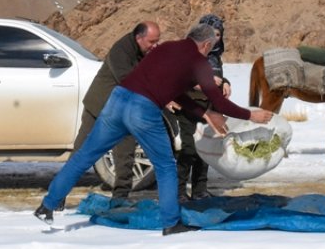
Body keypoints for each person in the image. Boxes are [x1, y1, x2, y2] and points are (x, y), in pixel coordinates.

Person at [35, 23, 274, 235]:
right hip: (143, 109)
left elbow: (175, 91)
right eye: (212, 46)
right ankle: (171, 223)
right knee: (166, 164)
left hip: (118, 100)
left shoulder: (166, 47)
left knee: (86, 154)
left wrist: (204, 113)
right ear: (207, 44)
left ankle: (48, 205)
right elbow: (220, 102)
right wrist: (251, 114)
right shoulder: (199, 62)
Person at [75, 21, 162, 199]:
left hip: (125, 109)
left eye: (157, 41)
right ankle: (58, 195)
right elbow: (127, 79)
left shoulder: (146, 52)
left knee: (125, 156)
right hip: (99, 105)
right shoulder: (121, 50)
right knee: (82, 151)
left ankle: (120, 197)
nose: (155, 46)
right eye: (152, 42)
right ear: (139, 38)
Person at [168, 14, 228, 201]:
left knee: (206, 148)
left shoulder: (215, 56)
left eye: (218, 34)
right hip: (190, 107)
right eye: (210, 34)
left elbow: (215, 76)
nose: (214, 38)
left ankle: (199, 190)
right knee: (189, 150)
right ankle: (178, 192)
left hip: (211, 107)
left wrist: (224, 82)